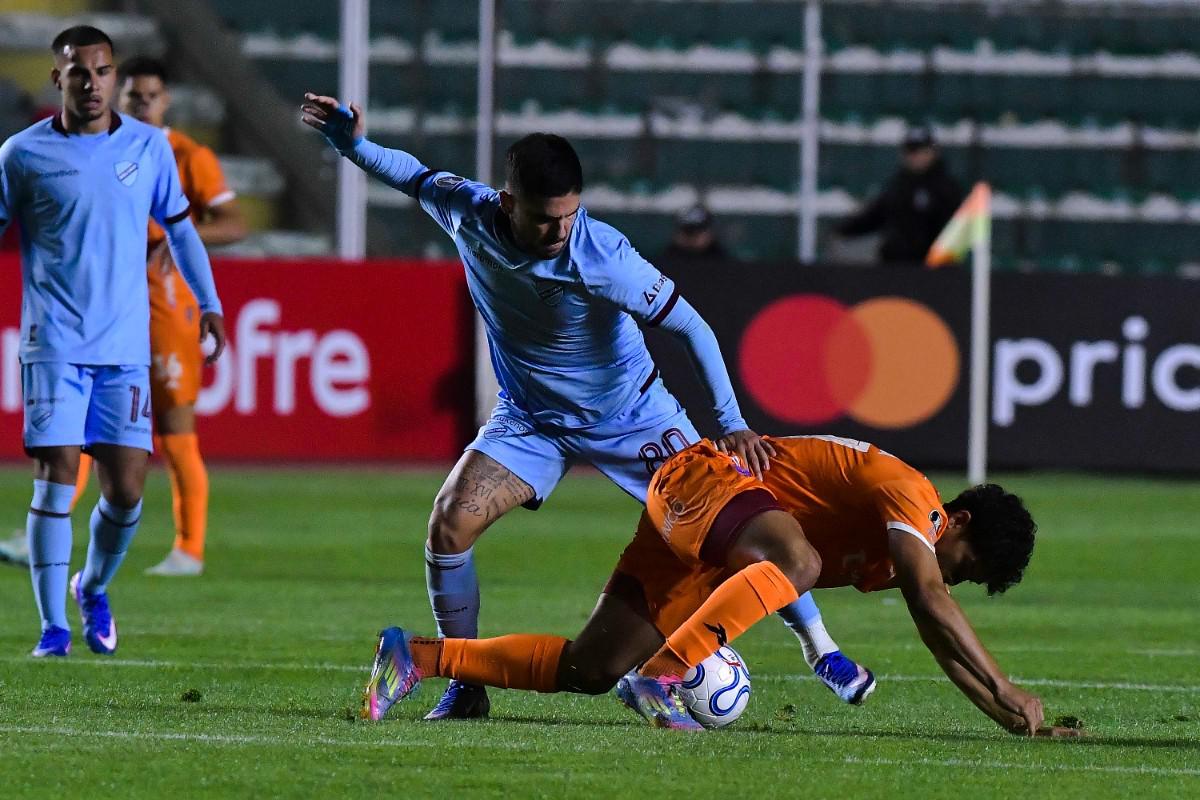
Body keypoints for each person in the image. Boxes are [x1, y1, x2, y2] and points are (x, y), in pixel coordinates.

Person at [301, 94, 874, 719]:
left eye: (570, 215)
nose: (561, 231)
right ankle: (465, 682)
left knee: (744, 533)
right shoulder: (467, 211)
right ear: (507, 201)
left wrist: (731, 423)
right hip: (532, 421)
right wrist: (352, 145)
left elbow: (694, 328)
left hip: (635, 419)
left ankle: (820, 647)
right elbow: (409, 174)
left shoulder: (603, 257)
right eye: (547, 220)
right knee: (449, 525)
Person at [362, 434, 1080, 738]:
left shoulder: (890, 548)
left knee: (591, 667)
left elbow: (934, 620)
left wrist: (1006, 712)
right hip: (702, 483)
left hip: (709, 535)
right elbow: (930, 604)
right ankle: (666, 676)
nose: (949, 578)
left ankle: (420, 657)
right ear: (952, 521)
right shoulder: (911, 497)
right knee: (795, 562)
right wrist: (1008, 689)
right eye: (963, 563)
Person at [0, 26, 225, 656]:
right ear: (58, 79)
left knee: (126, 490)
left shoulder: (150, 148)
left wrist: (209, 303)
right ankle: (52, 627)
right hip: (53, 344)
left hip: (125, 348)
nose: (92, 84)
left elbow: (180, 232)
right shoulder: (22, 153)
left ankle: (91, 586)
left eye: (102, 72)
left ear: (112, 77)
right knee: (56, 476)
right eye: (79, 72)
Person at [836, 125, 964, 266]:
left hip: (931, 268)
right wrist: (843, 230)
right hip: (894, 266)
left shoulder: (947, 188)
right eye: (911, 151)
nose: (915, 157)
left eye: (921, 151)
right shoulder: (897, 185)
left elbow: (953, 231)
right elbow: (875, 216)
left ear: (933, 152)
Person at [661, 204, 729, 262]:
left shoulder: (725, 263)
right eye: (688, 232)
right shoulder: (662, 264)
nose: (692, 238)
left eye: (698, 232)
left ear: (709, 232)